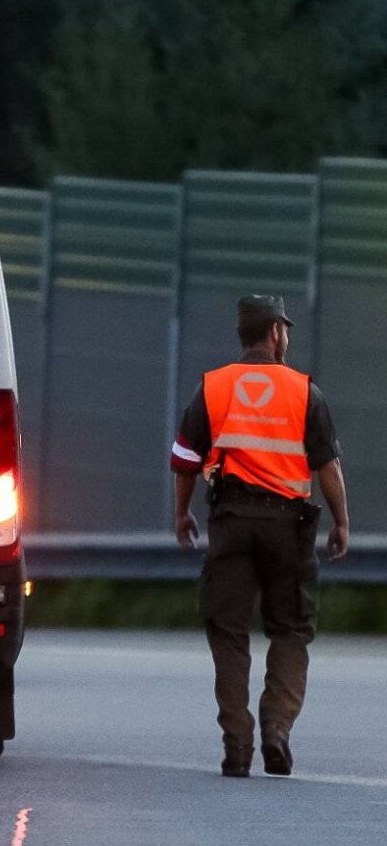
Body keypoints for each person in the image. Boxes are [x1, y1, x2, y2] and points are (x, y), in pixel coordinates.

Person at [170, 294, 349, 779]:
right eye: (284, 330)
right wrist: (342, 522)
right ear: (275, 333)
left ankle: (237, 746)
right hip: (288, 529)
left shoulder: (212, 388)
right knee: (290, 629)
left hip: (230, 524)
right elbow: (327, 467)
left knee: (228, 632)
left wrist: (182, 514)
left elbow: (186, 460)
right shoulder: (304, 391)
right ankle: (276, 729)